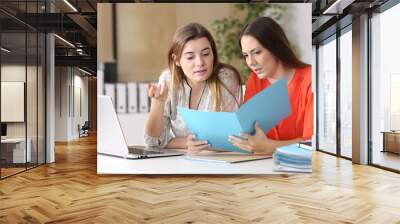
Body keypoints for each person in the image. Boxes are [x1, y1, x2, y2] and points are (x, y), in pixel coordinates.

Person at [145, 23, 242, 154]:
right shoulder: (168, 79)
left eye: (206, 54)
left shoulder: (225, 78)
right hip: (182, 163)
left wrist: (178, 143)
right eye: (190, 57)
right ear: (176, 60)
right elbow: (154, 142)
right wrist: (158, 102)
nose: (200, 62)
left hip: (221, 163)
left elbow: (231, 140)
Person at [228, 17, 313, 155]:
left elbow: (313, 143)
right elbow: (248, 130)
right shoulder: (254, 81)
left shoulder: (310, 79)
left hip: (300, 166)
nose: (251, 62)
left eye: (257, 52)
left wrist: (271, 147)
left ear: (276, 48)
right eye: (246, 55)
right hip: (261, 163)